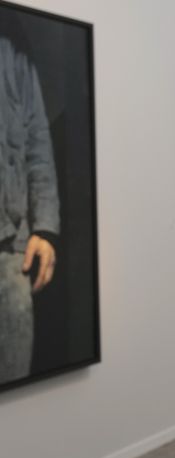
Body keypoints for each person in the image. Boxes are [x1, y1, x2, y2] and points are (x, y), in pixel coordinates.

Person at [0, 35, 59, 385]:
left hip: (11, 249)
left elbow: (38, 143)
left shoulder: (14, 57)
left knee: (15, 379)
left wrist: (45, 228)